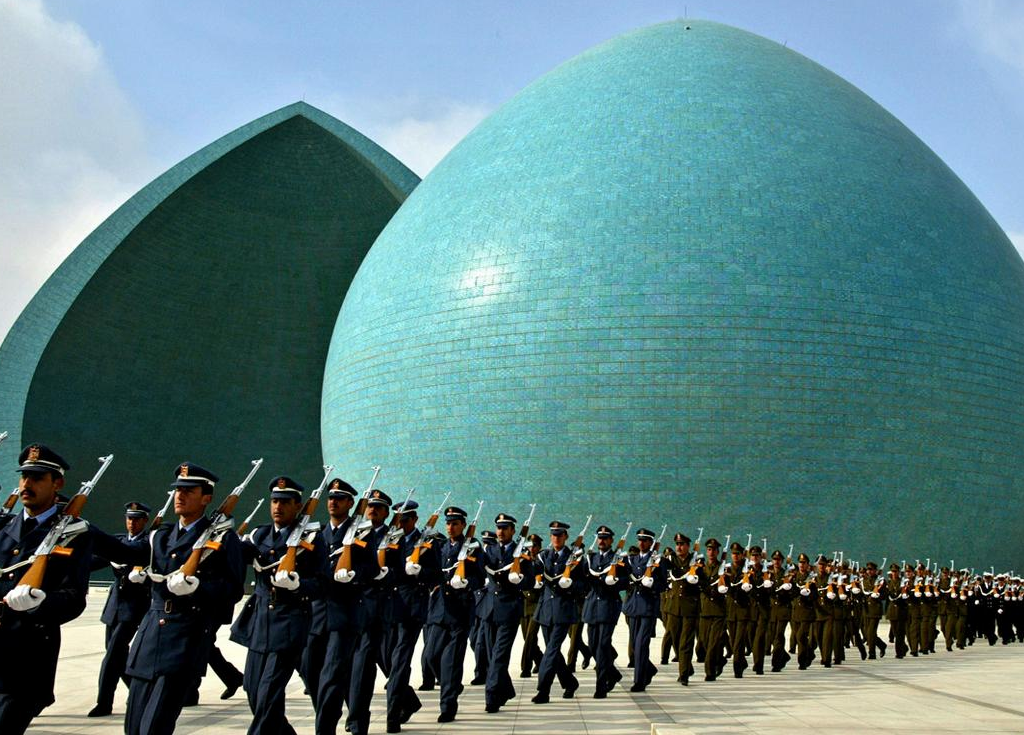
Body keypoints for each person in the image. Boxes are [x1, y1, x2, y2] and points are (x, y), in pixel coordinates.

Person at [123, 462, 244, 735]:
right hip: (150, 637)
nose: (180, 495)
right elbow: (125, 550)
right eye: (178, 490)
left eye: (189, 490)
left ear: (206, 498)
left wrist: (197, 588)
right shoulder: (161, 536)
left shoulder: (224, 539)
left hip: (185, 640)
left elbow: (233, 589)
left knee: (154, 728)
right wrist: (83, 531)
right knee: (132, 727)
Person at [0, 444, 93, 735]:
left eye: (38, 477)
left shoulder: (74, 534)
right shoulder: (3, 528)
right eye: (24, 476)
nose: (27, 484)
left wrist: (40, 603)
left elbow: (74, 598)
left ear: (58, 484)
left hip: (26, 665)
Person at [231, 476, 325, 735]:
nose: (277, 507)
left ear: (298, 506)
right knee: (252, 690)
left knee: (268, 694)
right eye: (274, 501)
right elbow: (238, 555)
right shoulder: (259, 534)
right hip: (260, 622)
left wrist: (298, 585)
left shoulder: (312, 539)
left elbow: (322, 583)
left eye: (285, 502)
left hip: (290, 622)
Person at [315, 479, 374, 735]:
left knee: (331, 676)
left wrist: (354, 574)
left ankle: (326, 728)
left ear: (351, 503)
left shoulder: (361, 532)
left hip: (345, 613)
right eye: (330, 497)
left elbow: (372, 568)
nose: (333, 502)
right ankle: (354, 714)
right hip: (316, 614)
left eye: (339, 498)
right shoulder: (317, 534)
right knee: (313, 671)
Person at [88, 501, 153, 717]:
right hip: (115, 605)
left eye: (136, 519)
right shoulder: (119, 540)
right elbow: (95, 561)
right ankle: (139, 694)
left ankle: (104, 703)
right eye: (129, 518)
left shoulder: (148, 543)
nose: (132, 523)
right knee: (116, 656)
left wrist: (143, 578)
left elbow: (155, 568)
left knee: (112, 655)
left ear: (144, 520)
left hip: (134, 606)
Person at [423, 506, 482, 722]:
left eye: (455, 523)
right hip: (439, 610)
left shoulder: (474, 547)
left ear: (463, 525)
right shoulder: (439, 547)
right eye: (448, 523)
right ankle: (452, 685)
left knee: (451, 661)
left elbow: (480, 577)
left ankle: (447, 706)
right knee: (431, 657)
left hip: (460, 610)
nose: (450, 527)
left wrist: (467, 583)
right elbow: (431, 571)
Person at [344, 489, 392, 735]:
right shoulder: (353, 534)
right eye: (370, 506)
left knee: (362, 665)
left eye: (378, 507)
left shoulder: (392, 537)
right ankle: (407, 699)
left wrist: (386, 574)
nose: (372, 510)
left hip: (375, 609)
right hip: (346, 608)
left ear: (386, 513)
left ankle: (356, 720)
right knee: (349, 665)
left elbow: (400, 571)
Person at [479, 512, 533, 713]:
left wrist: (521, 580)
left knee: (500, 656)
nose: (500, 531)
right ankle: (507, 690)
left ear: (512, 531)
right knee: (492, 655)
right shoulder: (488, 550)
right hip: (489, 608)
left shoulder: (521, 552)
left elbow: (530, 580)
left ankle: (491, 697)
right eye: (498, 527)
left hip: (509, 609)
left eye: (504, 528)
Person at [382, 498, 427, 733]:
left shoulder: (427, 541)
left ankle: (392, 716)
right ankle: (409, 700)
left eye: (406, 520)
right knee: (385, 657)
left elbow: (436, 575)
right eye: (398, 520)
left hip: (411, 608)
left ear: (415, 520)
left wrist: (420, 572)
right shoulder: (389, 540)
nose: (401, 524)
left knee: (399, 661)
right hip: (389, 607)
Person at [531, 521, 584, 703]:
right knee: (552, 652)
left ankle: (543, 690)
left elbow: (583, 585)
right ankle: (570, 683)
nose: (556, 538)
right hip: (545, 610)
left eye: (559, 535)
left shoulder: (575, 557)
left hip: (563, 610)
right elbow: (535, 573)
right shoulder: (543, 556)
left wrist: (570, 586)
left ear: (566, 537)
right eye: (553, 534)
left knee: (551, 651)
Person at [581, 525, 626, 698]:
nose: (602, 541)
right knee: (592, 645)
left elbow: (625, 581)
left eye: (605, 538)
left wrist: (615, 581)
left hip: (609, 606)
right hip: (592, 606)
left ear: (611, 540)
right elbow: (584, 576)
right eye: (600, 537)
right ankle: (614, 674)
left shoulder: (619, 559)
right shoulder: (591, 558)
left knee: (602, 646)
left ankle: (601, 686)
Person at [622, 528, 667, 691]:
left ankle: (639, 681)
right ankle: (649, 669)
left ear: (651, 543)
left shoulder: (658, 561)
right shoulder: (631, 559)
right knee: (635, 644)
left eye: (645, 540)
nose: (641, 543)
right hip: (633, 606)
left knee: (641, 644)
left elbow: (663, 584)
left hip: (648, 607)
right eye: (639, 540)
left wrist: (652, 584)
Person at [697, 538, 726, 681]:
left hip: (719, 610)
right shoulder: (701, 568)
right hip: (704, 609)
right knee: (704, 641)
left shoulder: (723, 568)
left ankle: (710, 672)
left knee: (713, 643)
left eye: (714, 550)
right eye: (709, 549)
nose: (711, 552)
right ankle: (720, 660)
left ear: (718, 551)